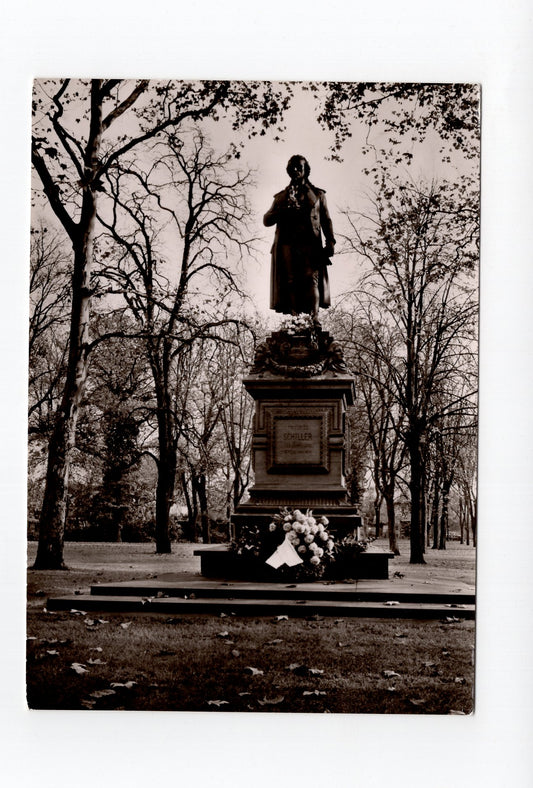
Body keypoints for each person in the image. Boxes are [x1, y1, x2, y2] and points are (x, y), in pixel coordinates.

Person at [264, 155, 335, 320]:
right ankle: (295, 320)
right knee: (290, 281)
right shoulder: (281, 197)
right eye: (292, 168)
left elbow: (326, 220)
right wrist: (282, 210)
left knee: (312, 280)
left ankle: (314, 319)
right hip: (287, 244)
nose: (295, 170)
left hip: (310, 244)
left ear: (306, 170)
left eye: (299, 167)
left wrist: (330, 242)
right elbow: (266, 220)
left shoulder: (318, 195)